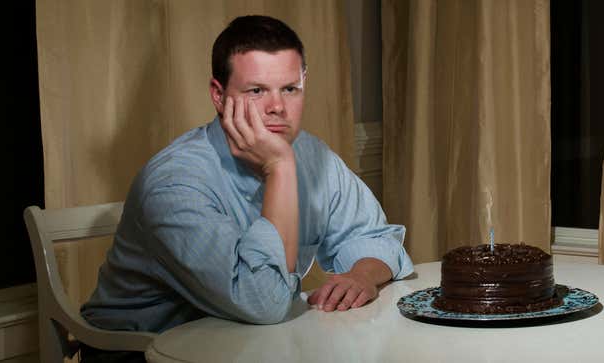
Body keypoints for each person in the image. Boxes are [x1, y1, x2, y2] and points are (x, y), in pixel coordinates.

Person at [81, 14, 412, 339]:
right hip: (138, 347)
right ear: (218, 95)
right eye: (256, 90)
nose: (277, 107)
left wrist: (361, 275)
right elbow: (264, 303)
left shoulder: (314, 155)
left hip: (243, 341)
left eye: (290, 89)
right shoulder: (173, 182)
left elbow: (375, 238)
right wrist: (280, 167)